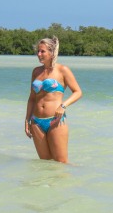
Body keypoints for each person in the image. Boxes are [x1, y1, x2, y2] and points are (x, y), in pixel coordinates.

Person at [24, 36, 82, 164]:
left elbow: (78, 92)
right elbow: (32, 98)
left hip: (55, 120)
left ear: (52, 52)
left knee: (61, 163)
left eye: (42, 51)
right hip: (36, 122)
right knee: (45, 164)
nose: (39, 54)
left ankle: (73, 181)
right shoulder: (36, 71)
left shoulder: (62, 70)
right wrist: (27, 120)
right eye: (38, 51)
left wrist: (63, 105)